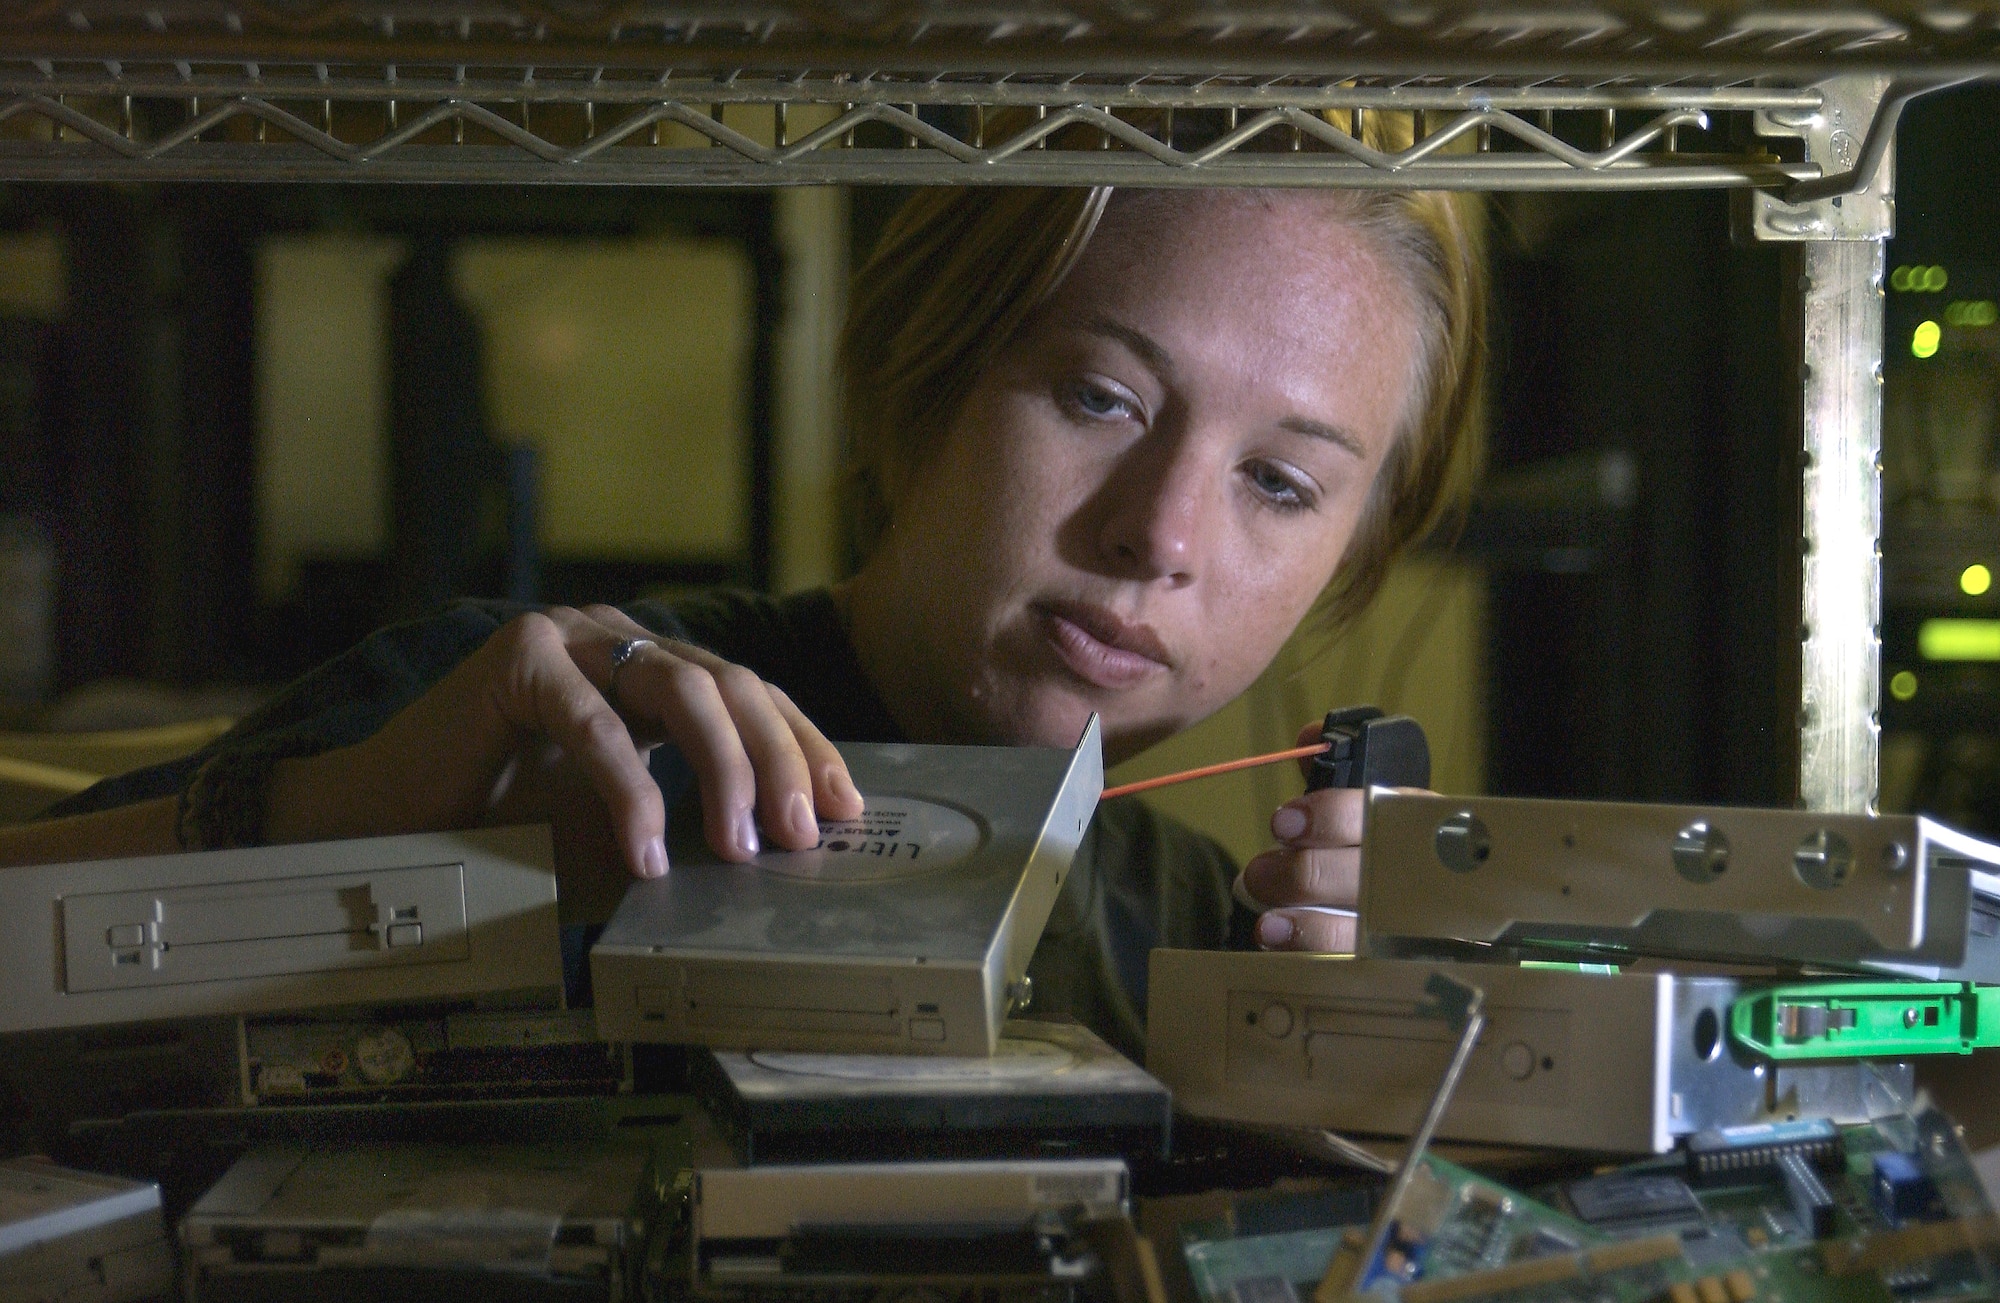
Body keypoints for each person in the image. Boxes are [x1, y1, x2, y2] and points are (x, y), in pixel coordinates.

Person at [5, 173, 1485, 1061]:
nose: (1158, 534)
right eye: (1099, 396)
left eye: (1281, 482)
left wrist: (1380, 1083)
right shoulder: (521, 715)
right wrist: (355, 827)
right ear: (922, 371)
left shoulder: (1200, 930)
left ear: (1359, 550)